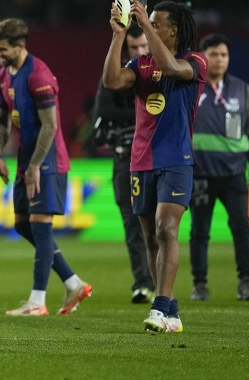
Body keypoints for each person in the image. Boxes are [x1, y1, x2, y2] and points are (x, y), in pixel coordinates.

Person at [103, 0, 206, 333]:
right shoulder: (141, 64)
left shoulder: (195, 61)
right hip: (140, 159)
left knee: (166, 229)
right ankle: (171, 311)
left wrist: (144, 25)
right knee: (150, 238)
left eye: (156, 24)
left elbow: (173, 69)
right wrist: (118, 35)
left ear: (172, 31)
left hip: (176, 159)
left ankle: (159, 307)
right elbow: (112, 82)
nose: (147, 26)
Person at [0, 18, 92, 317]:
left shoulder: (39, 75)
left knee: (40, 225)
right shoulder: (4, 75)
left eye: (3, 49)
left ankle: (37, 301)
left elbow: (50, 126)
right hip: (26, 160)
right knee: (23, 224)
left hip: (47, 161)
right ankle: (73, 283)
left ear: (20, 46)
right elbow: (3, 120)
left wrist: (35, 165)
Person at [190, 34, 249, 301]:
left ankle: (246, 281)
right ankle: (199, 285)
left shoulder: (243, 90)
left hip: (234, 173)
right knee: (200, 232)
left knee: (242, 228)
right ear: (203, 57)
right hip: (200, 173)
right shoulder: (191, 88)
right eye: (213, 54)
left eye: (223, 54)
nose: (219, 59)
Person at [92, 25, 155, 303]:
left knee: (160, 225)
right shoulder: (116, 75)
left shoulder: (159, 73)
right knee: (132, 223)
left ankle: (160, 283)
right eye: (134, 48)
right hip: (125, 159)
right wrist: (141, 112)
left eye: (143, 47)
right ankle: (143, 283)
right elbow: (103, 110)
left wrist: (127, 114)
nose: (139, 52)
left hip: (156, 158)